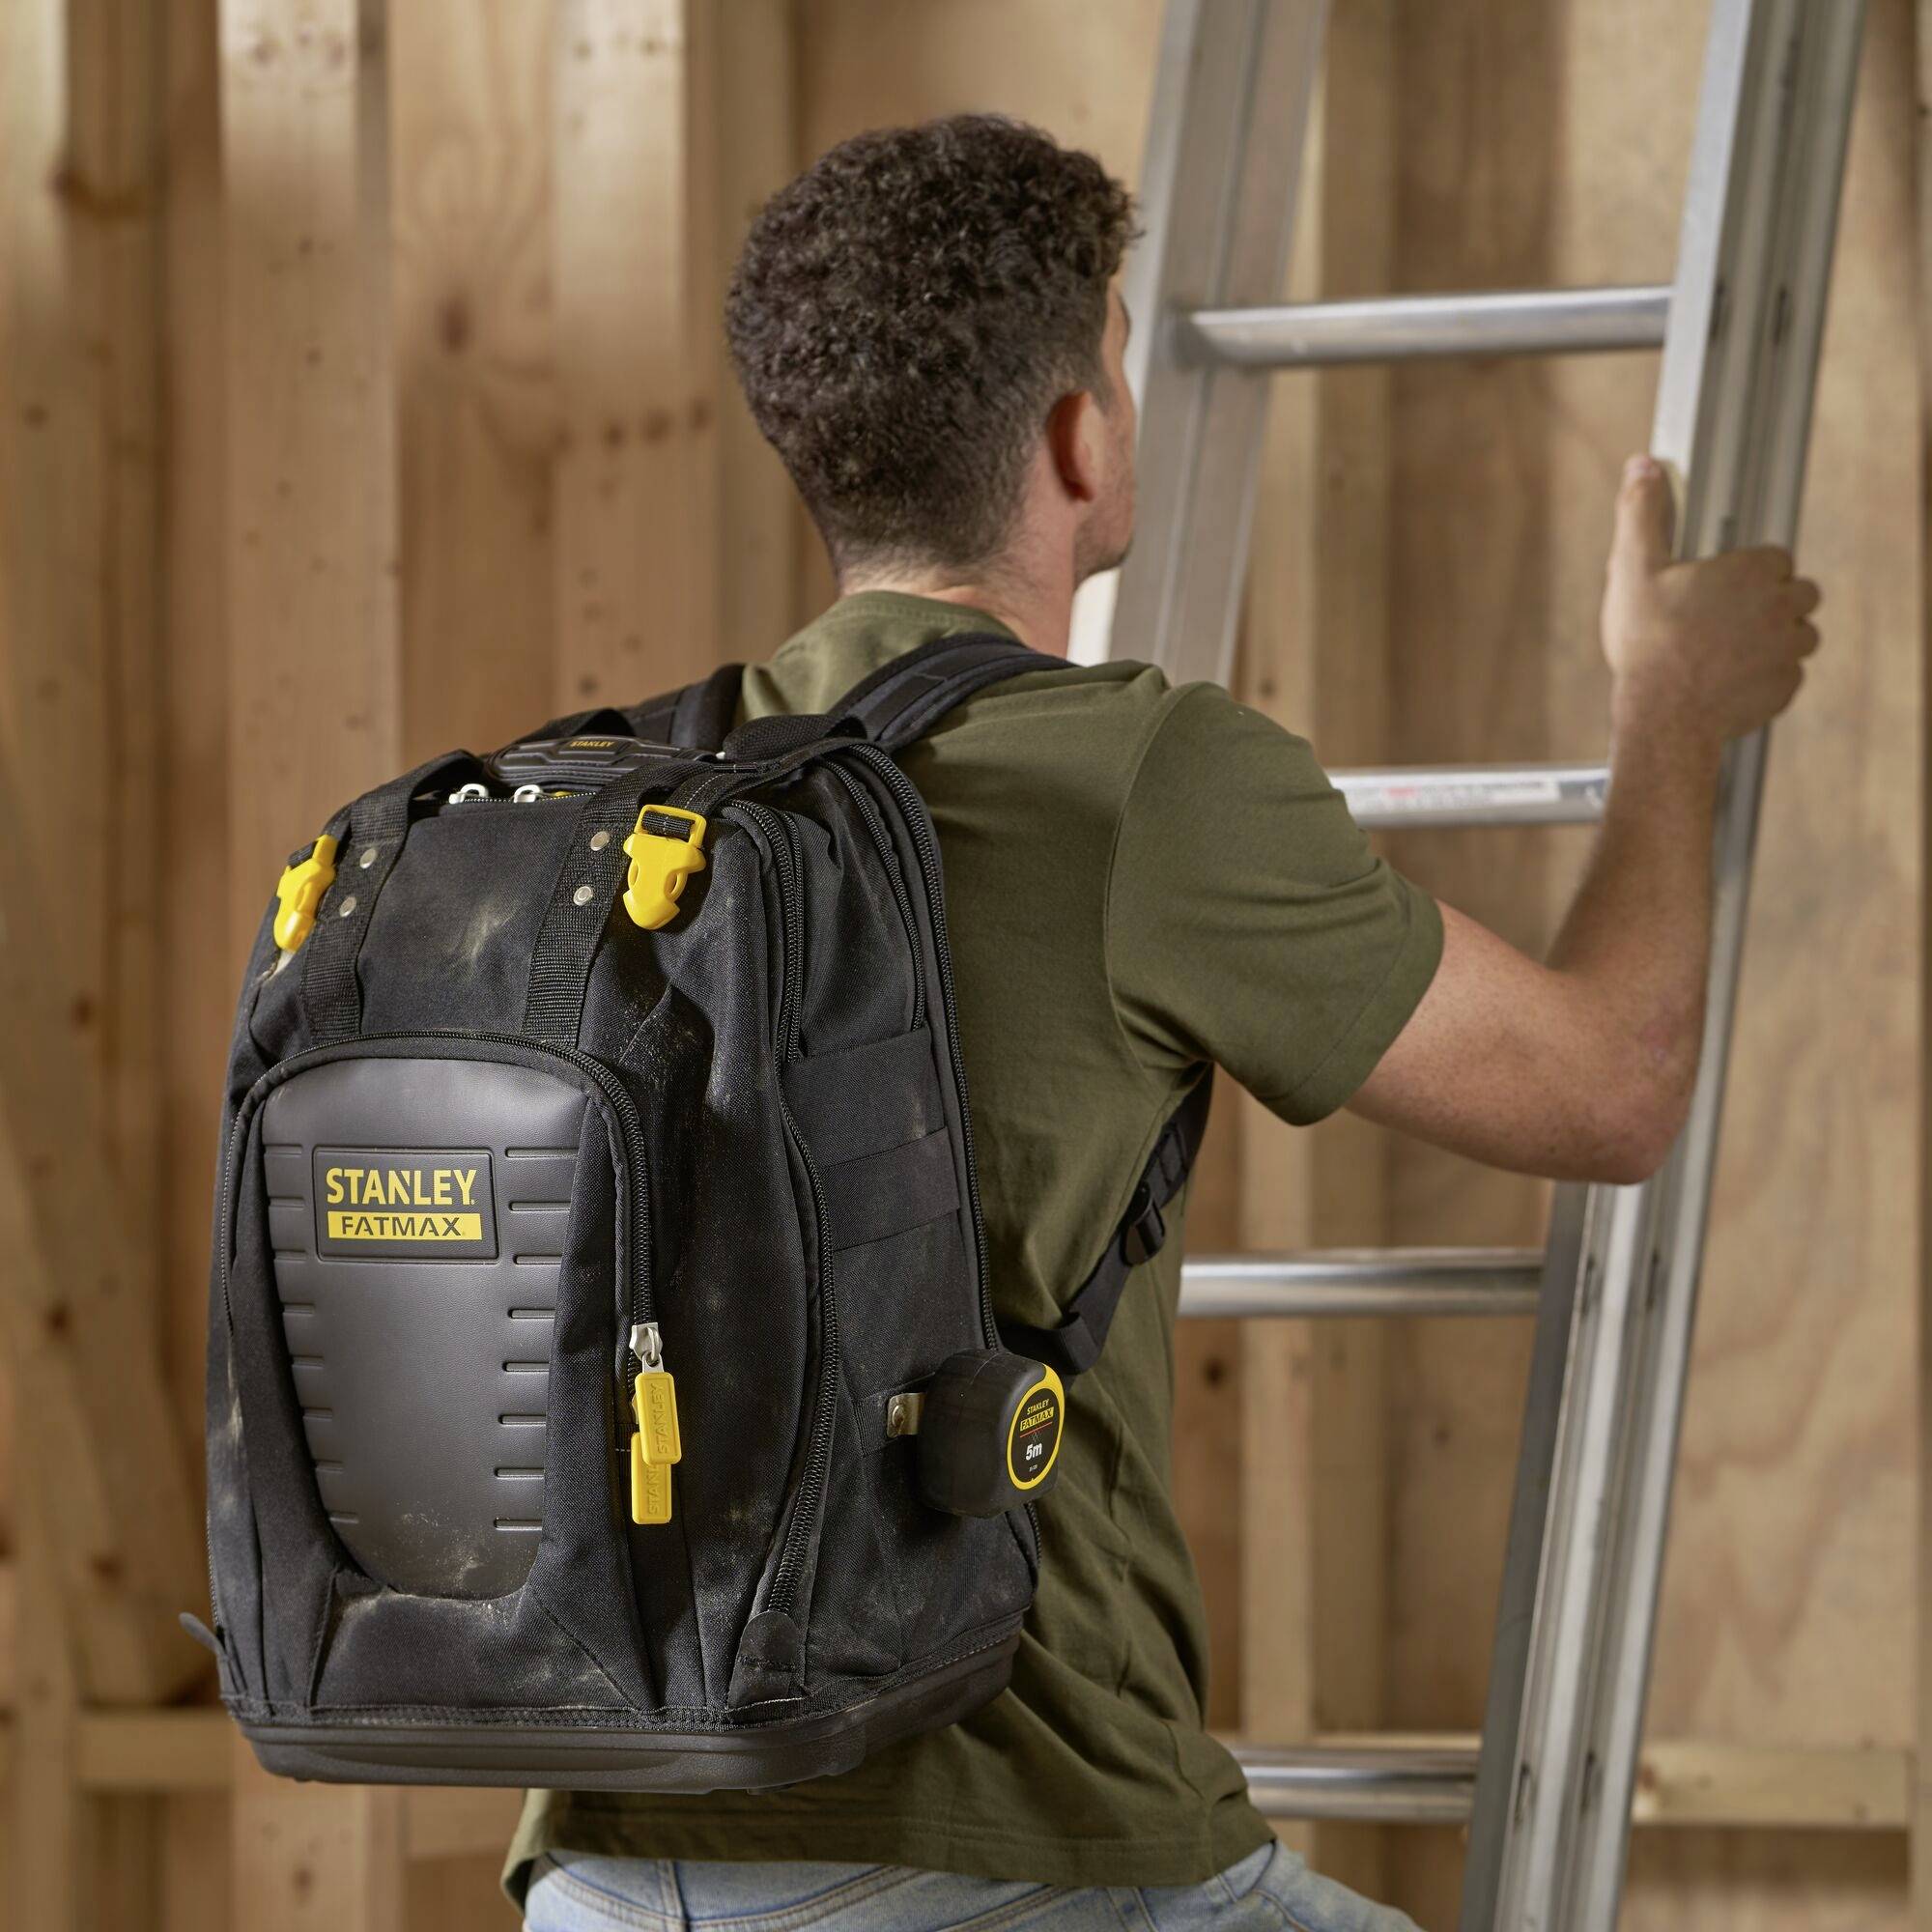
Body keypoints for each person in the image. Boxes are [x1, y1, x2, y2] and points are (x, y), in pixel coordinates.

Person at [511, 114, 1822, 1931]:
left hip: (604, 1855)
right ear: (1078, 437)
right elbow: (1614, 1087)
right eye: (1120, 361)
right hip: (1014, 1858)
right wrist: (1666, 710)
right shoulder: (1140, 780)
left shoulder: (618, 801)